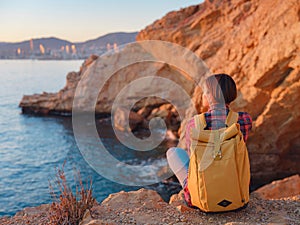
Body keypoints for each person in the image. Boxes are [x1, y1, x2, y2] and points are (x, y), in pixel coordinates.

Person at [166, 73, 252, 207]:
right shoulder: (244, 119)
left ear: (211, 96)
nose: (203, 96)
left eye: (205, 92)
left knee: (173, 152)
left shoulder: (194, 124)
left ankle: (189, 192)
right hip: (238, 199)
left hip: (201, 201)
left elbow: (193, 158)